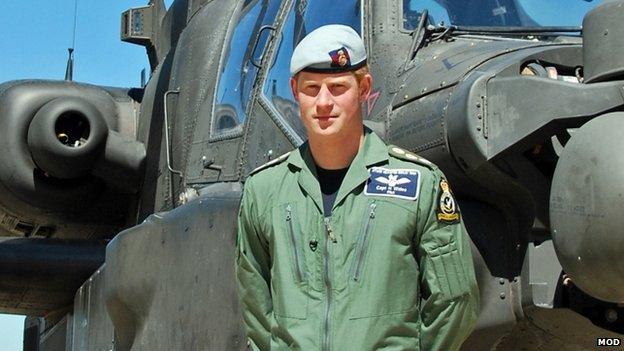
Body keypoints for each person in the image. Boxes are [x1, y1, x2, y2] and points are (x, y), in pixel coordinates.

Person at [235, 24, 479, 350]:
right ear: (295, 91)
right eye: (311, 88)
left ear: (364, 88)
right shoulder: (264, 190)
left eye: (337, 87)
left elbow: (455, 301)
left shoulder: (420, 183)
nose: (323, 102)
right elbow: (255, 300)